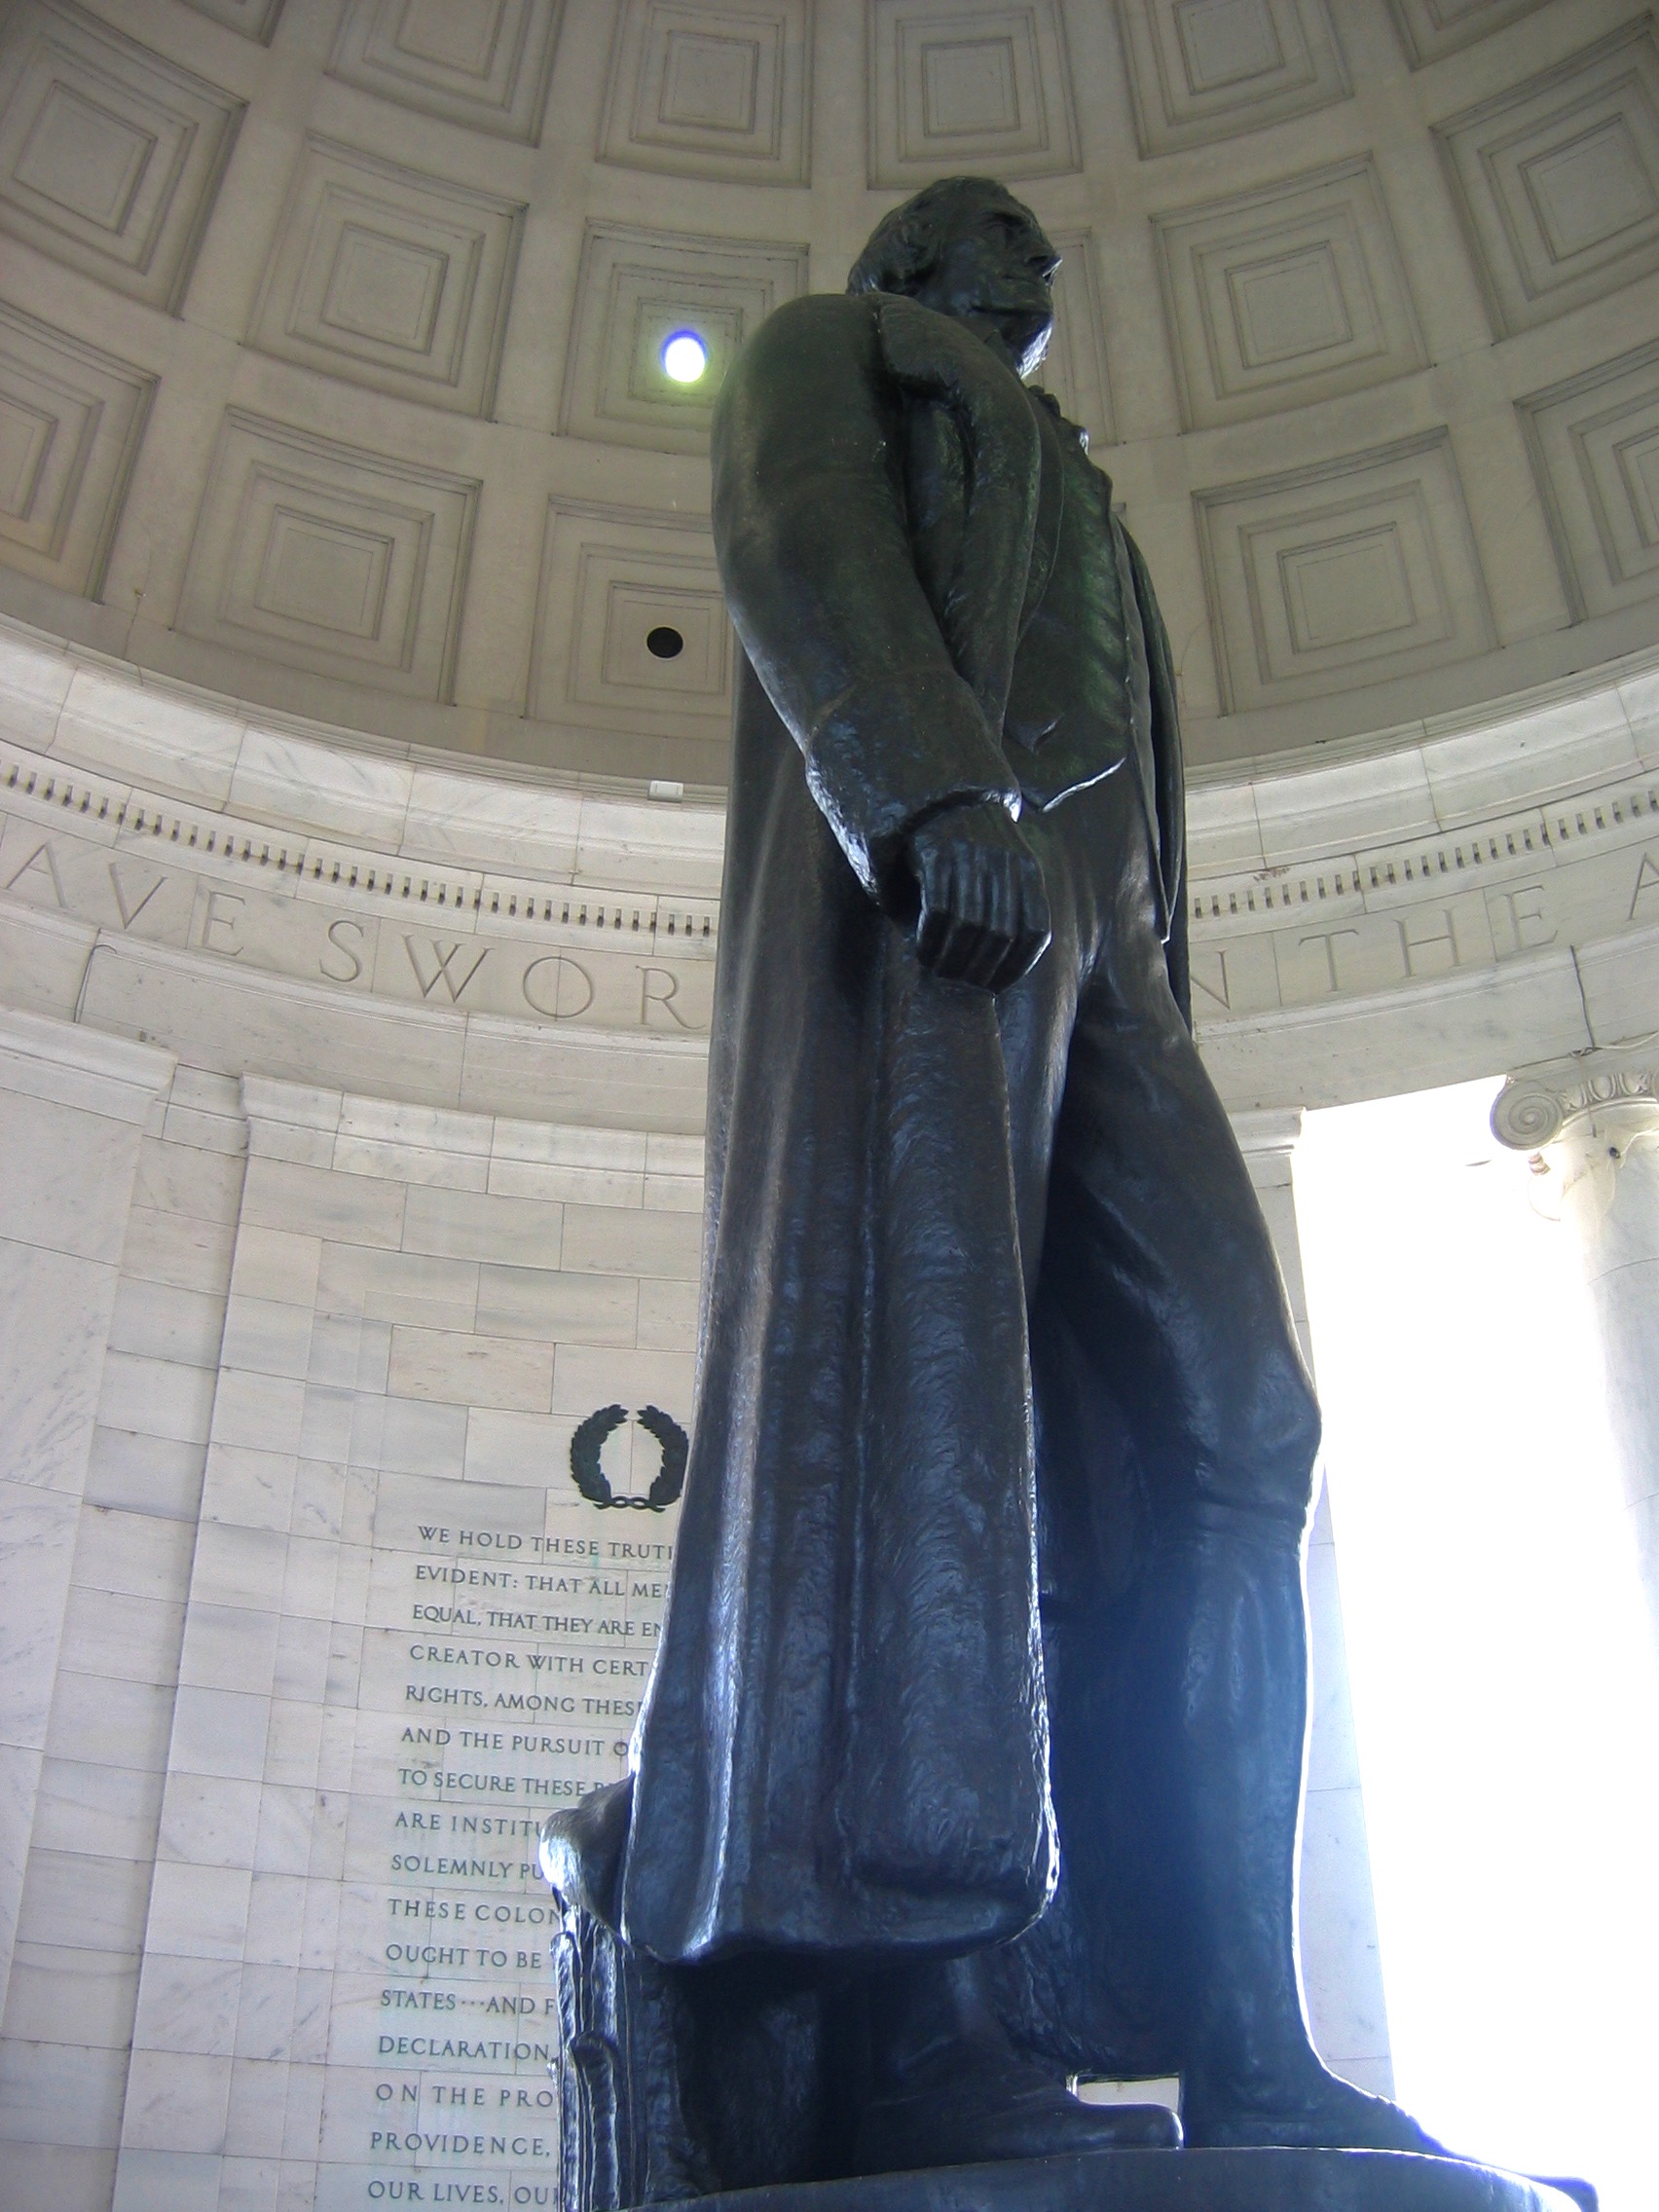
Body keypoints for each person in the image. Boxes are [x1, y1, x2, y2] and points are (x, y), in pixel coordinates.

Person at [612, 175, 1443, 2174]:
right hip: (950, 904)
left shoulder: (1082, 488)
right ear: (915, 263)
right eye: (996, 237)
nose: (1035, 265)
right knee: (935, 1444)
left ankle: (1249, 2035)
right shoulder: (839, 348)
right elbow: (798, 533)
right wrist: (920, 785)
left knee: (1245, 1428)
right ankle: (933, 2018)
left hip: (1115, 957)